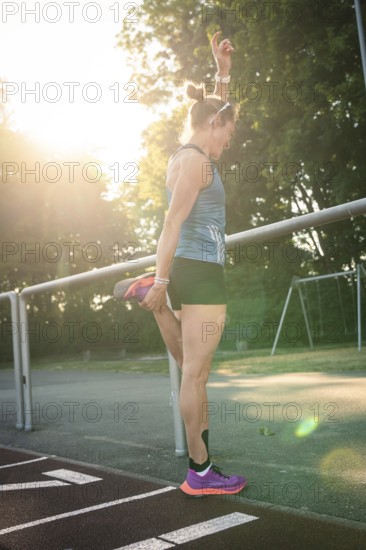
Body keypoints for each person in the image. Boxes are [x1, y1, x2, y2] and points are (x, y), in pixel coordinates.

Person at [118, 31, 247, 497]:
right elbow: (171, 224)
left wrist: (223, 73)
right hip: (200, 272)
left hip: (189, 272)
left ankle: (155, 304)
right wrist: (164, 278)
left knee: (189, 364)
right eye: (227, 133)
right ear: (213, 124)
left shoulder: (186, 153)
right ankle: (200, 471)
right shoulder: (195, 164)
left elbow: (217, 107)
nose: (228, 142)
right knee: (195, 373)